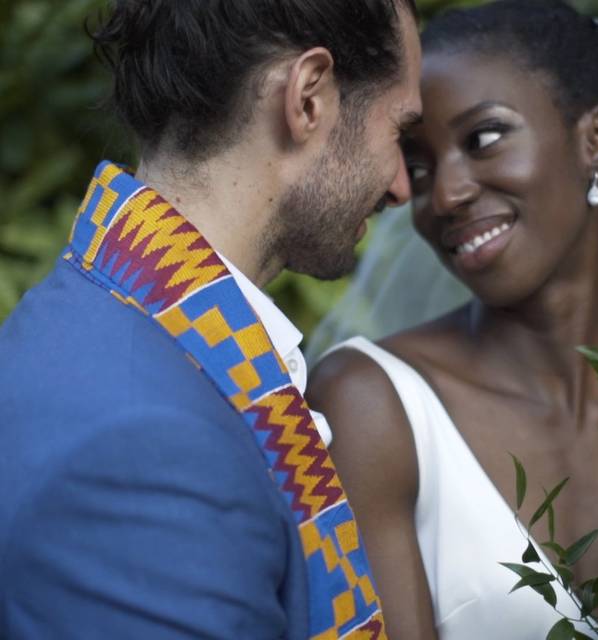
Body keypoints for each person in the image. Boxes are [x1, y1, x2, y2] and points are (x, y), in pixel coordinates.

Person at [306, 1, 598, 639]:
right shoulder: (371, 405)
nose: (445, 194)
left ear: (597, 143)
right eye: (418, 164)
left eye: (483, 139)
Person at [0, 1, 421, 638]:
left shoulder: (96, 316)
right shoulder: (145, 446)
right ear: (309, 98)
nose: (400, 186)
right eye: (399, 131)